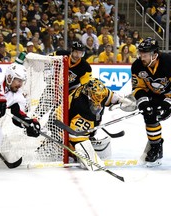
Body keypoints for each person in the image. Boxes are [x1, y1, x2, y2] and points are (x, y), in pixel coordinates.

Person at [68, 78, 132, 169]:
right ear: (88, 94)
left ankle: (88, 136)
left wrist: (121, 100)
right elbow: (76, 136)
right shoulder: (81, 106)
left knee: (92, 118)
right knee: (73, 146)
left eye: (101, 96)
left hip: (75, 117)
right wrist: (89, 157)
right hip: (64, 124)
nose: (100, 99)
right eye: (98, 97)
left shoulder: (96, 91)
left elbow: (109, 96)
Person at [131, 37, 171, 167]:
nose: (141, 57)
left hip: (168, 94)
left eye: (145, 55)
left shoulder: (168, 62)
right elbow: (138, 88)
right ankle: (156, 147)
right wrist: (143, 103)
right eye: (140, 54)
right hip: (153, 94)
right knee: (149, 116)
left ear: (154, 55)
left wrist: (167, 103)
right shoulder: (137, 66)